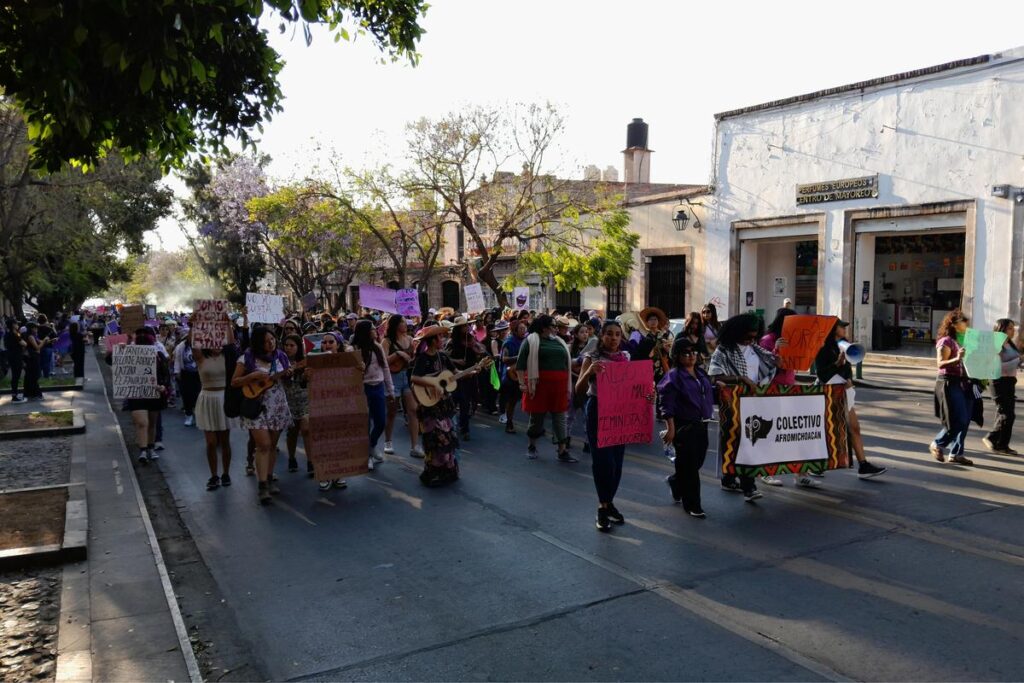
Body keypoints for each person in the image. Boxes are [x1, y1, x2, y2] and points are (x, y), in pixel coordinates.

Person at [578, 320, 644, 531]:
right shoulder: (592, 358)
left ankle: (609, 502)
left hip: (620, 413)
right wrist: (590, 374)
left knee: (616, 463)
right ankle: (602, 507)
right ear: (601, 336)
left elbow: (634, 388)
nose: (614, 338)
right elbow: (578, 391)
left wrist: (646, 394)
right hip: (598, 410)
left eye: (617, 334)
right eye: (609, 334)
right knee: (603, 462)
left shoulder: (625, 358)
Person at [707, 313, 778, 502]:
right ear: (737, 332)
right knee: (736, 443)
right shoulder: (723, 351)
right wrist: (741, 379)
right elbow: (714, 376)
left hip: (754, 403)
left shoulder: (757, 350)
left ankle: (739, 482)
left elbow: (771, 367)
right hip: (733, 405)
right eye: (748, 336)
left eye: (755, 336)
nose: (751, 340)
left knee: (749, 443)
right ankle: (741, 483)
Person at [814, 320, 887, 479]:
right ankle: (817, 464)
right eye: (841, 327)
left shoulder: (844, 345)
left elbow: (847, 368)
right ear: (833, 329)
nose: (845, 329)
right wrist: (837, 364)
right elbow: (822, 375)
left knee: (854, 428)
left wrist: (848, 378)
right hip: (829, 393)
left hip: (844, 391)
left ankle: (863, 465)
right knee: (828, 430)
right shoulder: (823, 348)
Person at [232, 327, 294, 504]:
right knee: (263, 444)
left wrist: (289, 375)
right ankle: (262, 486)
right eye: (266, 341)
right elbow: (235, 382)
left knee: (272, 445)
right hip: (256, 406)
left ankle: (268, 477)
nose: (271, 343)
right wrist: (252, 376)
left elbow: (287, 382)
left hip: (277, 405)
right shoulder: (247, 358)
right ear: (258, 342)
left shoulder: (281, 357)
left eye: (273, 339)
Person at [660, 338, 715, 518]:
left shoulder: (700, 373)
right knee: (690, 467)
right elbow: (666, 404)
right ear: (677, 356)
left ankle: (676, 481)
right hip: (684, 425)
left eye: (694, 352)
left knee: (697, 461)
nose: (691, 356)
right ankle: (692, 504)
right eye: (686, 353)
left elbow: (707, 393)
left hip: (702, 423)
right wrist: (671, 428)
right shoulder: (674, 376)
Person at [757, 308, 811, 488]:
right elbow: (763, 366)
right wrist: (776, 349)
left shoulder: (792, 339)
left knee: (795, 431)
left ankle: (800, 473)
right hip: (772, 389)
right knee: (771, 432)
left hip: (790, 386)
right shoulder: (767, 340)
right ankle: (766, 471)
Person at [516, 314, 576, 462]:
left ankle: (562, 451)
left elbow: (566, 364)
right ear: (544, 328)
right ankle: (531, 446)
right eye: (553, 326)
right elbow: (521, 364)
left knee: (560, 418)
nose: (557, 329)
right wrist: (522, 383)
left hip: (559, 387)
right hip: (538, 387)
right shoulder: (531, 341)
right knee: (536, 419)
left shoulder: (560, 342)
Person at [411, 324, 463, 487]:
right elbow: (415, 378)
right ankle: (433, 472)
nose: (443, 340)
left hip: (444, 404)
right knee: (435, 439)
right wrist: (434, 383)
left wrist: (472, 371)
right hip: (430, 405)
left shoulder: (443, 357)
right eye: (440, 337)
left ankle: (448, 471)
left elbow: (455, 374)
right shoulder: (423, 358)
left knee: (448, 437)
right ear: (432, 341)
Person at [116, 328, 172, 464]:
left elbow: (166, 375)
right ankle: (142, 450)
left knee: (152, 423)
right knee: (142, 423)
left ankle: (150, 448)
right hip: (137, 394)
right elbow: (111, 361)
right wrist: (119, 350)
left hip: (154, 393)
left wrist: (163, 387)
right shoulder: (128, 352)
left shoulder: (159, 355)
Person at [930, 310, 975, 466]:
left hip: (963, 382)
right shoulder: (946, 341)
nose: (967, 324)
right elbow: (940, 363)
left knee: (964, 419)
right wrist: (957, 358)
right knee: (959, 419)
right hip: (949, 382)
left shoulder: (962, 340)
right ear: (954, 325)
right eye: (964, 321)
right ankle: (938, 443)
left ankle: (954, 451)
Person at [194, 330, 237, 491]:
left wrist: (228, 323)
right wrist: (194, 325)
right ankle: (214, 475)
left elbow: (232, 343)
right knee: (211, 443)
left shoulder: (228, 357)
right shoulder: (201, 358)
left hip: (224, 399)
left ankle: (225, 473)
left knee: (225, 441)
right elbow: (194, 343)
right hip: (207, 398)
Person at [352, 319, 395, 470]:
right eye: (371, 329)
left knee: (381, 422)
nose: (375, 331)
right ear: (365, 332)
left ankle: (371, 446)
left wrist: (391, 390)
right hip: (362, 389)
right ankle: (367, 456)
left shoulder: (378, 347)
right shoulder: (354, 349)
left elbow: (386, 369)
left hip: (378, 388)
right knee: (365, 423)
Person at [382, 315, 424, 459]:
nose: (405, 325)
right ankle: (388, 441)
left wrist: (415, 353)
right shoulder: (386, 342)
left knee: (413, 410)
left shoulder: (411, 339)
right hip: (392, 379)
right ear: (395, 325)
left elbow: (413, 359)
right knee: (392, 412)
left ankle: (414, 446)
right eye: (402, 322)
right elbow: (384, 361)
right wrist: (398, 354)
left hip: (406, 377)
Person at [983, 319, 1020, 455]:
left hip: (1010, 382)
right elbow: (997, 367)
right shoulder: (995, 345)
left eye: (1013, 327)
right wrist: (1018, 360)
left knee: (1004, 414)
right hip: (998, 382)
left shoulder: (1009, 344)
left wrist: (1019, 362)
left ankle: (1001, 444)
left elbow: (1014, 362)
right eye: (1010, 328)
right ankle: (994, 439)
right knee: (1007, 414)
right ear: (1001, 329)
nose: (1013, 330)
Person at [280, 334, 313, 476]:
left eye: (292, 345)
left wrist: (306, 376)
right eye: (286, 345)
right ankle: (292, 458)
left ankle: (311, 461)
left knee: (306, 429)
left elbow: (307, 381)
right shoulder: (280, 361)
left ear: (298, 347)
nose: (288, 348)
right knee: (292, 433)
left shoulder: (305, 361)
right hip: (288, 401)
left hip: (305, 400)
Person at [445, 317, 479, 442]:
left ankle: (465, 428)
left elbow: (477, 352)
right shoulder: (451, 342)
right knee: (454, 402)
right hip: (456, 376)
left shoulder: (471, 339)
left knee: (466, 403)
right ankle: (451, 427)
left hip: (469, 374)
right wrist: (457, 361)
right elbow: (446, 357)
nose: (466, 328)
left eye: (467, 326)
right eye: (464, 326)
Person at [567, 322, 591, 452]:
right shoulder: (570, 347)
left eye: (586, 332)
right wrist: (577, 374)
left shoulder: (592, 348)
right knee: (570, 414)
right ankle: (566, 438)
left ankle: (588, 442)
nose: (585, 334)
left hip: (586, 386)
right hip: (572, 383)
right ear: (576, 334)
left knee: (587, 415)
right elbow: (566, 366)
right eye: (582, 332)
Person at [500, 321, 527, 434]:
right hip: (510, 376)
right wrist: (519, 356)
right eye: (520, 329)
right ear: (515, 330)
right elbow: (504, 359)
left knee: (520, 400)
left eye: (524, 329)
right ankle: (509, 422)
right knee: (511, 401)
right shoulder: (508, 342)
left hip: (522, 375)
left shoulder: (526, 341)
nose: (523, 331)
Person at [174, 335, 202, 426]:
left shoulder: (201, 344)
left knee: (198, 394)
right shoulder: (181, 346)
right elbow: (177, 359)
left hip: (199, 373)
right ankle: (188, 414)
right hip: (186, 373)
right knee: (186, 394)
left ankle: (198, 414)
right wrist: (177, 371)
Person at [5, 322, 26, 403]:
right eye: (16, 323)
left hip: (11, 356)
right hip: (16, 356)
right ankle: (14, 396)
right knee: (16, 376)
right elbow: (24, 343)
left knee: (15, 376)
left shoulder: (7, 335)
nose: (18, 325)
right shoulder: (15, 334)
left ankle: (14, 394)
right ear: (13, 325)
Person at [22, 322, 44, 400]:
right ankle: (36, 394)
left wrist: (48, 341)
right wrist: (44, 341)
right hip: (32, 358)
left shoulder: (34, 336)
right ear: (31, 328)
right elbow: (37, 347)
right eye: (35, 327)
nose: (36, 329)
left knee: (31, 376)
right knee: (34, 375)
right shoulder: (30, 336)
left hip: (33, 357)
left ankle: (30, 394)